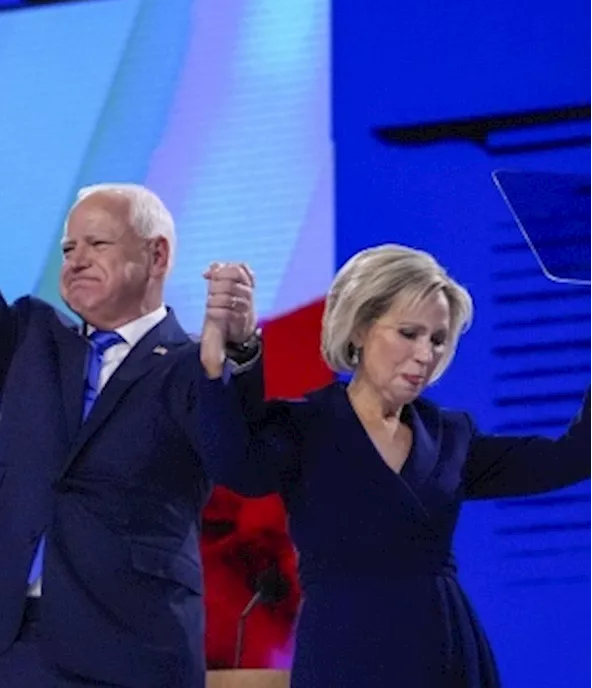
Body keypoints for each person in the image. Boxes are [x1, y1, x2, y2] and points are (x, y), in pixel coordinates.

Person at [0, 14, 265, 688]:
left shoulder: (190, 367)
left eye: (97, 244)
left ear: (156, 256)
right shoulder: (33, 341)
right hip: (4, 648)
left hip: (129, 649)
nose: (76, 260)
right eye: (68, 248)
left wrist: (233, 355)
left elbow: (237, 455)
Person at [195, 244, 592, 687]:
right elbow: (235, 465)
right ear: (360, 329)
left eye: (438, 339)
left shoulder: (452, 435)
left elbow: (569, 458)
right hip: (344, 653)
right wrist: (234, 353)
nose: (426, 354)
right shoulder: (305, 426)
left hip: (445, 652)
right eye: (409, 333)